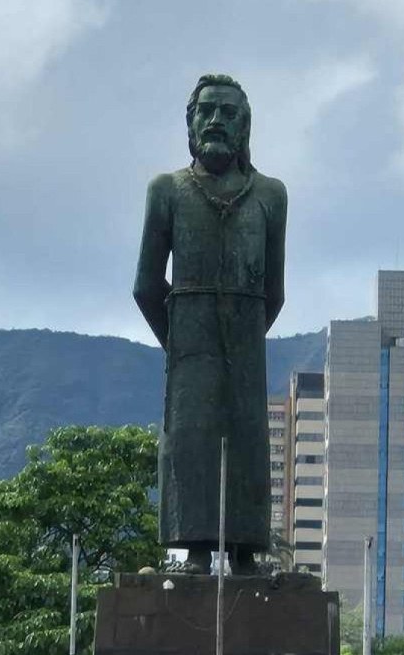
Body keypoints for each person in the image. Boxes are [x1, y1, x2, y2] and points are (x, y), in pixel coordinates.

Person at [133, 74, 287, 575]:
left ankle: (245, 551)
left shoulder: (270, 195)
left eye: (228, 112)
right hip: (189, 332)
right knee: (189, 436)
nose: (216, 120)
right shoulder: (168, 190)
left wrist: (242, 336)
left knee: (247, 435)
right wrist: (180, 341)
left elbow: (276, 290)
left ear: (245, 126)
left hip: (245, 334)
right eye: (207, 111)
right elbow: (146, 284)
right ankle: (194, 550)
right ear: (191, 122)